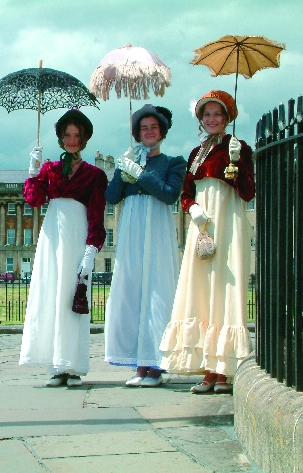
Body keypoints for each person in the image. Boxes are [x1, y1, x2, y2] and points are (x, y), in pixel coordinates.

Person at [159, 90, 255, 394]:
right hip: (202, 227)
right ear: (201, 119)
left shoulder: (240, 149)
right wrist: (194, 209)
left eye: (218, 114)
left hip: (228, 222)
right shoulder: (195, 154)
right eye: (207, 114)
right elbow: (186, 193)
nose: (212, 119)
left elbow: (248, 192)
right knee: (201, 289)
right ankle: (207, 369)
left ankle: (224, 370)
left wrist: (237, 165)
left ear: (227, 118)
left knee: (225, 288)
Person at [19, 109, 108, 387]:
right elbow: (33, 200)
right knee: (51, 296)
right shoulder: (50, 170)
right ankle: (56, 366)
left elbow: (96, 214)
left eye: (77, 136)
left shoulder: (95, 175)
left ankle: (73, 366)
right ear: (60, 138)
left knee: (73, 300)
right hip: (52, 239)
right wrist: (33, 172)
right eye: (67, 135)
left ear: (84, 140)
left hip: (77, 237)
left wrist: (91, 251)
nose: (72, 140)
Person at [104, 104, 186, 387]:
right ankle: (139, 363)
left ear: (161, 131)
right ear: (137, 134)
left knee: (156, 291)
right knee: (132, 291)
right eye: (143, 128)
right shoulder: (129, 161)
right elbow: (112, 196)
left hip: (157, 228)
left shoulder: (173, 162)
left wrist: (139, 174)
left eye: (153, 127)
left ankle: (156, 365)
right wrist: (121, 168)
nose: (148, 132)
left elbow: (169, 194)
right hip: (131, 229)